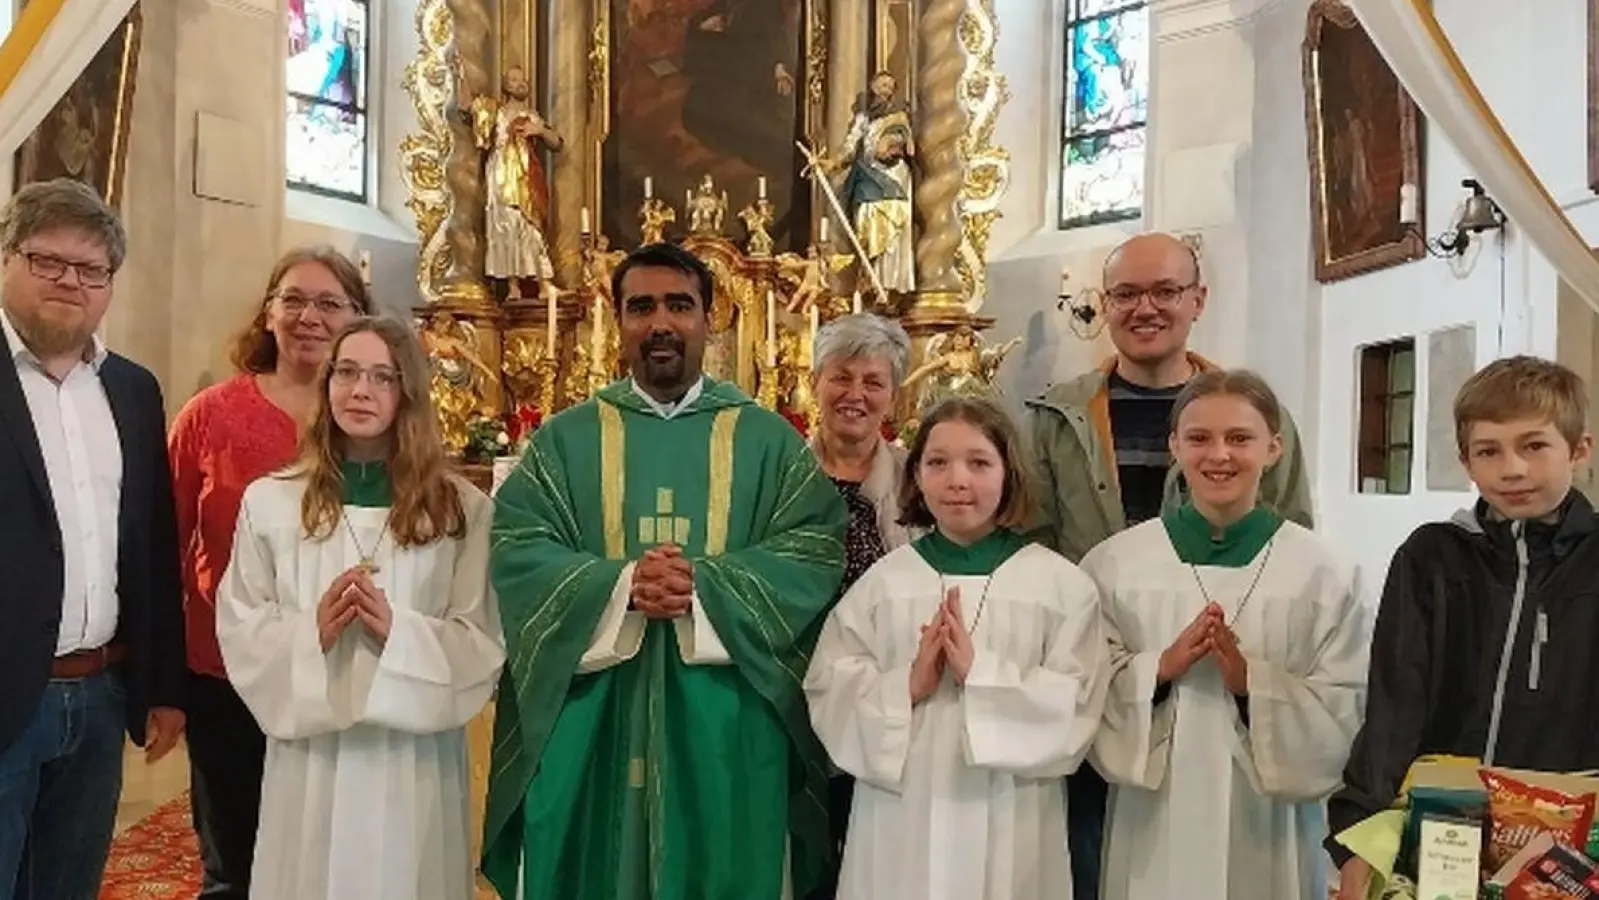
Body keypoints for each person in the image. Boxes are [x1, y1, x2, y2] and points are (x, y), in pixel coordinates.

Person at [483, 242, 848, 900]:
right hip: (592, 712)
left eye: (680, 306)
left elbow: (814, 547)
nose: (660, 323)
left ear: (711, 318)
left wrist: (702, 587)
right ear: (617, 320)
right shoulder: (564, 441)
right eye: (641, 307)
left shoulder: (767, 441)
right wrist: (621, 586)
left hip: (729, 714)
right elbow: (517, 546)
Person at [1024, 231, 1315, 897]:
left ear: (1197, 299)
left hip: (1221, 674)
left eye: (1165, 290)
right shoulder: (1055, 416)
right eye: (1126, 293)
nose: (1145, 307)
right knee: (1099, 860)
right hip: (1102, 676)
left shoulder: (1251, 415)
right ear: (1104, 304)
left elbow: (1290, 541)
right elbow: (1033, 546)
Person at [215, 316, 505, 900]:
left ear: (409, 392)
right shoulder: (273, 503)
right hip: (310, 757)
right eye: (346, 372)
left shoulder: (459, 513)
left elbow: (481, 638)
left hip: (411, 757)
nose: (360, 391)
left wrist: (399, 633)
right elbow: (241, 621)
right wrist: (307, 634)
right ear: (326, 385)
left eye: (382, 377)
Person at [805, 396, 1108, 900]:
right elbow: (828, 686)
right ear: (916, 474)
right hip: (901, 809)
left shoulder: (1059, 586)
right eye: (938, 463)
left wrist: (981, 676)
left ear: (1009, 473)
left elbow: (1080, 703)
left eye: (979, 462)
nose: (957, 480)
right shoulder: (885, 582)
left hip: (1012, 808)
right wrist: (907, 685)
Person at [1083, 370, 1365, 900]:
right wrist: (1159, 669)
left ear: (1274, 447)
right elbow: (1084, 688)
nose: (1220, 455)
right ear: (1174, 447)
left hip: (1269, 822)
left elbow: (1345, 702)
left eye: (1239, 438)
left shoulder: (1323, 572)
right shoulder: (1116, 563)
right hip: (1153, 818)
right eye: (1199, 438)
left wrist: (1250, 684)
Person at [1329, 356, 1599, 899]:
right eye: (1489, 451)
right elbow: (1394, 704)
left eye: (1534, 446)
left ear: (1579, 449)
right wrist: (1357, 836)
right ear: (1465, 461)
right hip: (1444, 828)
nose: (1512, 468)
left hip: (1574, 838)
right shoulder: (1432, 558)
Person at [0, 178, 185, 900]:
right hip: (7, 695)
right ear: (9, 259)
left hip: (99, 695)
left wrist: (161, 684)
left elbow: (151, 545)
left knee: (69, 887)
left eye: (92, 270)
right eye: (49, 261)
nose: (71, 282)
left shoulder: (132, 390)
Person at [167, 246, 371, 900]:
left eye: (329, 302)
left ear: (358, 318)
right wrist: (159, 678)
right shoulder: (210, 416)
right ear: (268, 312)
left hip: (340, 670)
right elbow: (164, 542)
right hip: (225, 673)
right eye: (294, 299)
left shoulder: (371, 425)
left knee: (325, 851)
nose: (310, 316)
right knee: (235, 857)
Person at [804, 312, 914, 900]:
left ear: (893, 395)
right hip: (794, 682)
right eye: (841, 377)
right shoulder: (781, 472)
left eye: (873, 382)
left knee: (872, 845)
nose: (855, 395)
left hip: (885, 687)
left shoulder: (917, 477)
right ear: (815, 382)